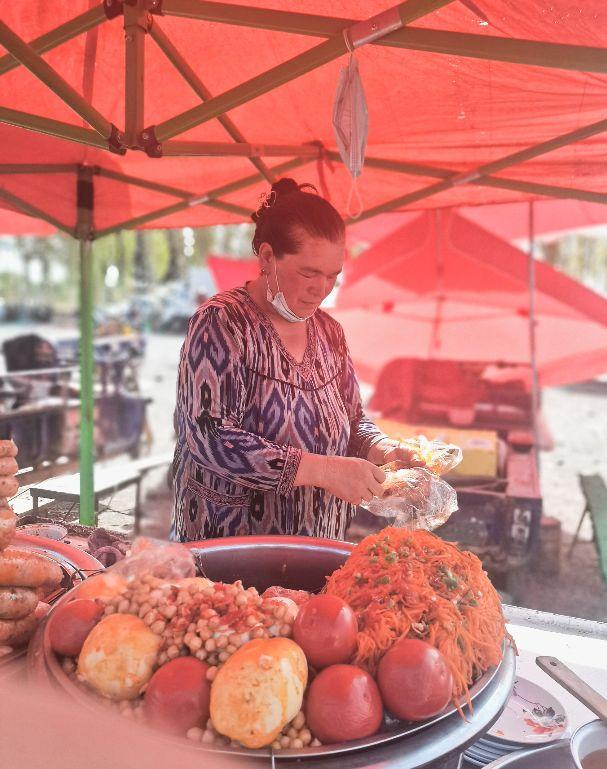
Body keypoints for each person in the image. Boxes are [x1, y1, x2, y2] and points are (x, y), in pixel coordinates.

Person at [171, 179, 421, 542]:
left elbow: (352, 419)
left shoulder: (330, 332)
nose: (321, 289)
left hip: (319, 539)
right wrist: (321, 470)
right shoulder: (223, 323)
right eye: (308, 273)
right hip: (233, 547)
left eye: (332, 276)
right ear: (268, 257)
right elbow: (209, 437)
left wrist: (383, 449)